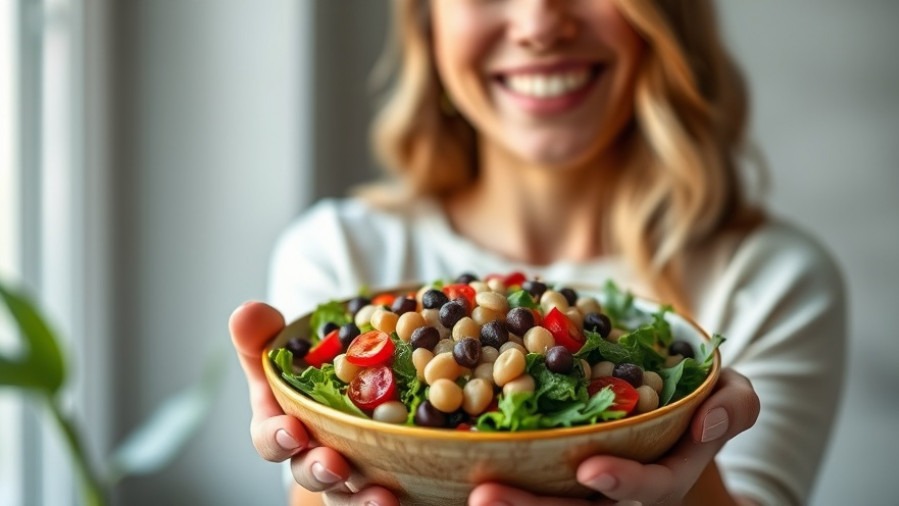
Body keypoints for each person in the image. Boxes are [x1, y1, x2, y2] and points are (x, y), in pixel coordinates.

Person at [230, 0, 846, 504]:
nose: (540, 23)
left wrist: (682, 453)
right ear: (427, 20)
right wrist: (321, 458)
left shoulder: (769, 281)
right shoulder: (339, 252)